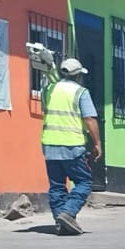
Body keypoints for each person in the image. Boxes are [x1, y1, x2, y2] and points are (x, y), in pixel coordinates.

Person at [37, 54, 102, 236]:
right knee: (84, 182)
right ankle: (68, 213)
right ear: (78, 75)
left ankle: (61, 221)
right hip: (72, 146)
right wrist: (97, 143)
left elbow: (45, 110)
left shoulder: (48, 90)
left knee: (57, 186)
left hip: (50, 145)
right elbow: (89, 119)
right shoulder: (81, 92)